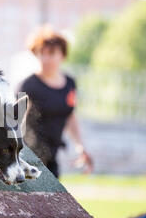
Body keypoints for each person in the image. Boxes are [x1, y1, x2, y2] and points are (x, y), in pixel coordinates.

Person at [16, 25, 93, 179]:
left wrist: (80, 147)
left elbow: (70, 115)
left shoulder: (70, 83)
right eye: (41, 53)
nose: (45, 59)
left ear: (62, 56)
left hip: (52, 158)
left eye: (51, 53)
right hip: (28, 159)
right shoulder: (29, 85)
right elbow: (14, 120)